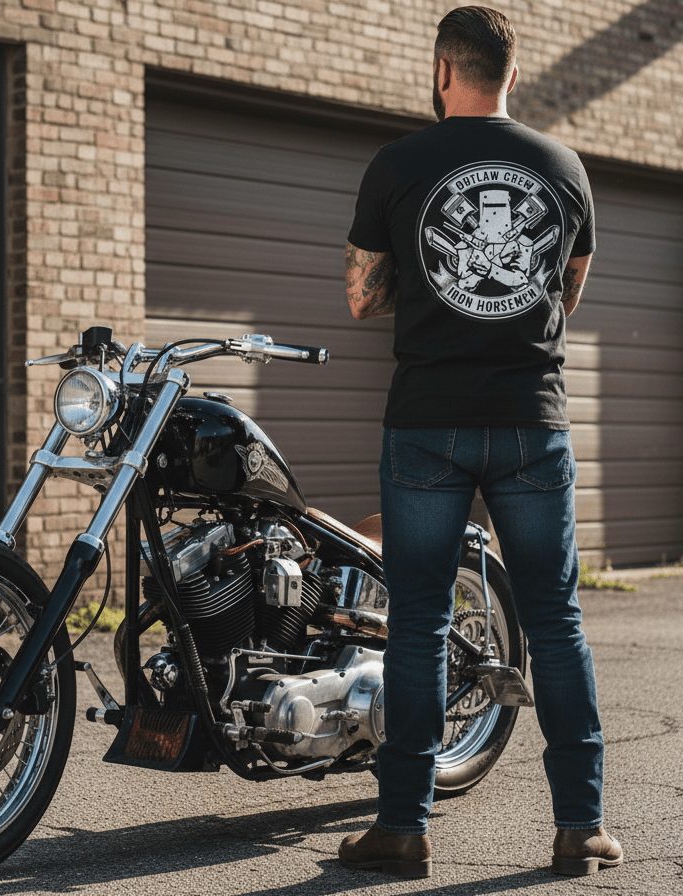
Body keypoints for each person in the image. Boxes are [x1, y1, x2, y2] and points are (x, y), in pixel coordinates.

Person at [339, 6, 622, 880]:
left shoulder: (397, 164)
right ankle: (581, 828)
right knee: (556, 621)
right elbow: (565, 293)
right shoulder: (563, 167)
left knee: (419, 623)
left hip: (426, 420)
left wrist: (438, 282)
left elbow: (361, 298)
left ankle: (402, 828)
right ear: (513, 74)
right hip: (533, 420)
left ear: (441, 71)